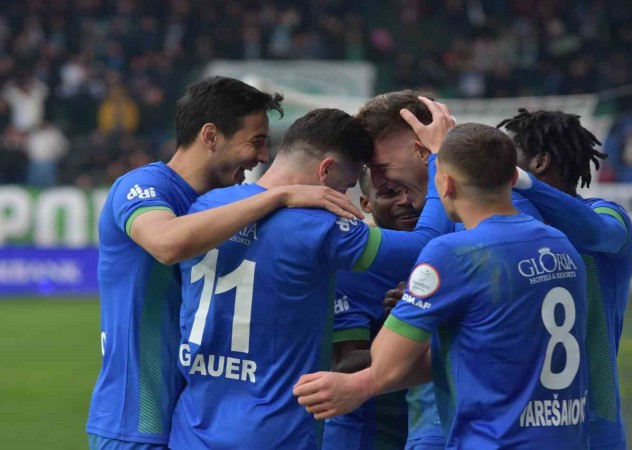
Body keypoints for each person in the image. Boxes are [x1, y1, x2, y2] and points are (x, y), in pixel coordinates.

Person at [86, 77, 364, 450]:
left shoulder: (220, 207)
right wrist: (278, 195)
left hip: (191, 423)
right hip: (135, 421)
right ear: (210, 136)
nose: (263, 157)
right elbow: (167, 243)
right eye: (256, 141)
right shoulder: (143, 186)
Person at [169, 108, 453, 450]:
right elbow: (425, 245)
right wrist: (439, 157)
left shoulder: (207, 206)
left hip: (191, 431)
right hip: (273, 435)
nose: (344, 199)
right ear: (326, 171)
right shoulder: (319, 228)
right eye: (345, 187)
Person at [294, 123, 590, 449]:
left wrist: (359, 384)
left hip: (494, 440)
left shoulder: (452, 253)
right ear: (511, 178)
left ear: (445, 184)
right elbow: (491, 343)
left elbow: (385, 362)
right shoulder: (560, 245)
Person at [355, 90, 544, 450]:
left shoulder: (491, 218)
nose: (375, 180)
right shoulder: (446, 217)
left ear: (422, 150)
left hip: (483, 430)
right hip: (443, 423)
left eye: (380, 166)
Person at [499, 108, 632, 450]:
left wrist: (521, 182)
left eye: (508, 156)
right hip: (520, 424)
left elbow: (597, 232)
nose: (497, 164)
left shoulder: (606, 213)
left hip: (594, 426)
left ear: (539, 162)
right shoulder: (501, 228)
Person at [324, 167, 416, 450]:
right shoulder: (353, 266)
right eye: (389, 193)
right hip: (367, 435)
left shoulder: (447, 250)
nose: (405, 200)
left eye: (411, 189)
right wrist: (413, 322)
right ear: (366, 203)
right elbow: (344, 363)